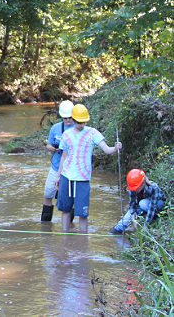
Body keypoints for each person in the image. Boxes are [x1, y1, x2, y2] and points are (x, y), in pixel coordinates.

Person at [54, 104, 122, 233]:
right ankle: (64, 238)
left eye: (84, 121)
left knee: (83, 213)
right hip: (66, 176)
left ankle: (83, 241)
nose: (82, 124)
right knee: (65, 210)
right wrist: (58, 176)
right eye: (79, 122)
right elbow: (64, 156)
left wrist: (116, 148)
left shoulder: (92, 133)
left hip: (83, 178)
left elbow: (107, 149)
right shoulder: (66, 135)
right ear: (73, 120)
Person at [41, 100, 75, 222]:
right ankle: (45, 226)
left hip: (72, 169)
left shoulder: (78, 128)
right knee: (48, 195)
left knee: (71, 200)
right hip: (56, 167)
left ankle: (69, 227)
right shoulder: (55, 128)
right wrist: (56, 148)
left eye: (70, 118)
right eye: (65, 118)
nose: (68, 121)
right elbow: (48, 146)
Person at [110, 169, 165, 235]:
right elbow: (132, 204)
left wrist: (146, 225)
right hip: (141, 206)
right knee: (125, 220)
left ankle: (155, 216)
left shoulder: (154, 188)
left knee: (142, 203)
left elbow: (152, 207)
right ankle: (114, 233)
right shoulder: (132, 188)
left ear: (143, 183)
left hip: (156, 204)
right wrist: (134, 218)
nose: (134, 190)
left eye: (136, 188)